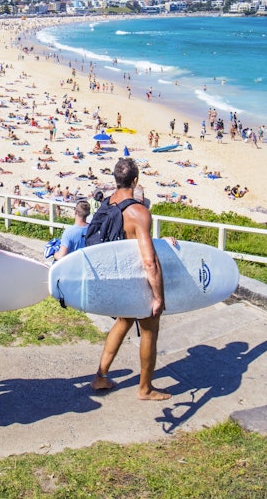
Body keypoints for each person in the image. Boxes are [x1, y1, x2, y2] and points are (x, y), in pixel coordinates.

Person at [91, 158, 170, 401]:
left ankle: (100, 376)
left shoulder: (107, 203)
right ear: (135, 181)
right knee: (149, 331)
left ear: (116, 179)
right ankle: (145, 389)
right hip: (137, 280)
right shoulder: (138, 211)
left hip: (116, 277)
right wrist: (158, 296)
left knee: (123, 322)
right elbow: (149, 260)